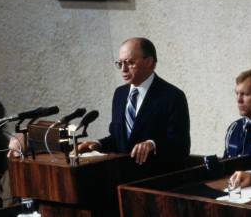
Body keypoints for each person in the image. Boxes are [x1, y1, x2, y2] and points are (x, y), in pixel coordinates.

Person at [77, 37, 191, 176]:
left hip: (156, 180)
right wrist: (96, 144)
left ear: (148, 62)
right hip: (122, 179)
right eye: (120, 63)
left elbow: (181, 146)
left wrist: (152, 145)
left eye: (130, 63)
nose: (123, 69)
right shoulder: (120, 94)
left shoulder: (172, 96)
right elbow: (118, 139)